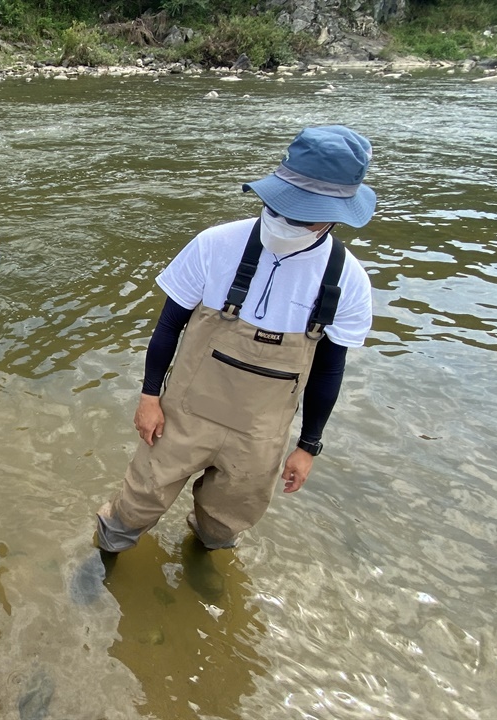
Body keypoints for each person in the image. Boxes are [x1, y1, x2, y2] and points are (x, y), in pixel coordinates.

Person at [96, 125, 376, 552]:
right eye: (281, 207)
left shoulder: (348, 281)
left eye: (305, 214)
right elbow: (168, 326)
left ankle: (203, 564)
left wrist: (308, 446)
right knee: (136, 502)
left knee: (225, 523)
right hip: (182, 417)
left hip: (259, 437)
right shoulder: (216, 244)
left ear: (338, 213)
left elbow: (329, 370)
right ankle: (104, 558)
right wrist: (149, 396)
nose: (286, 221)